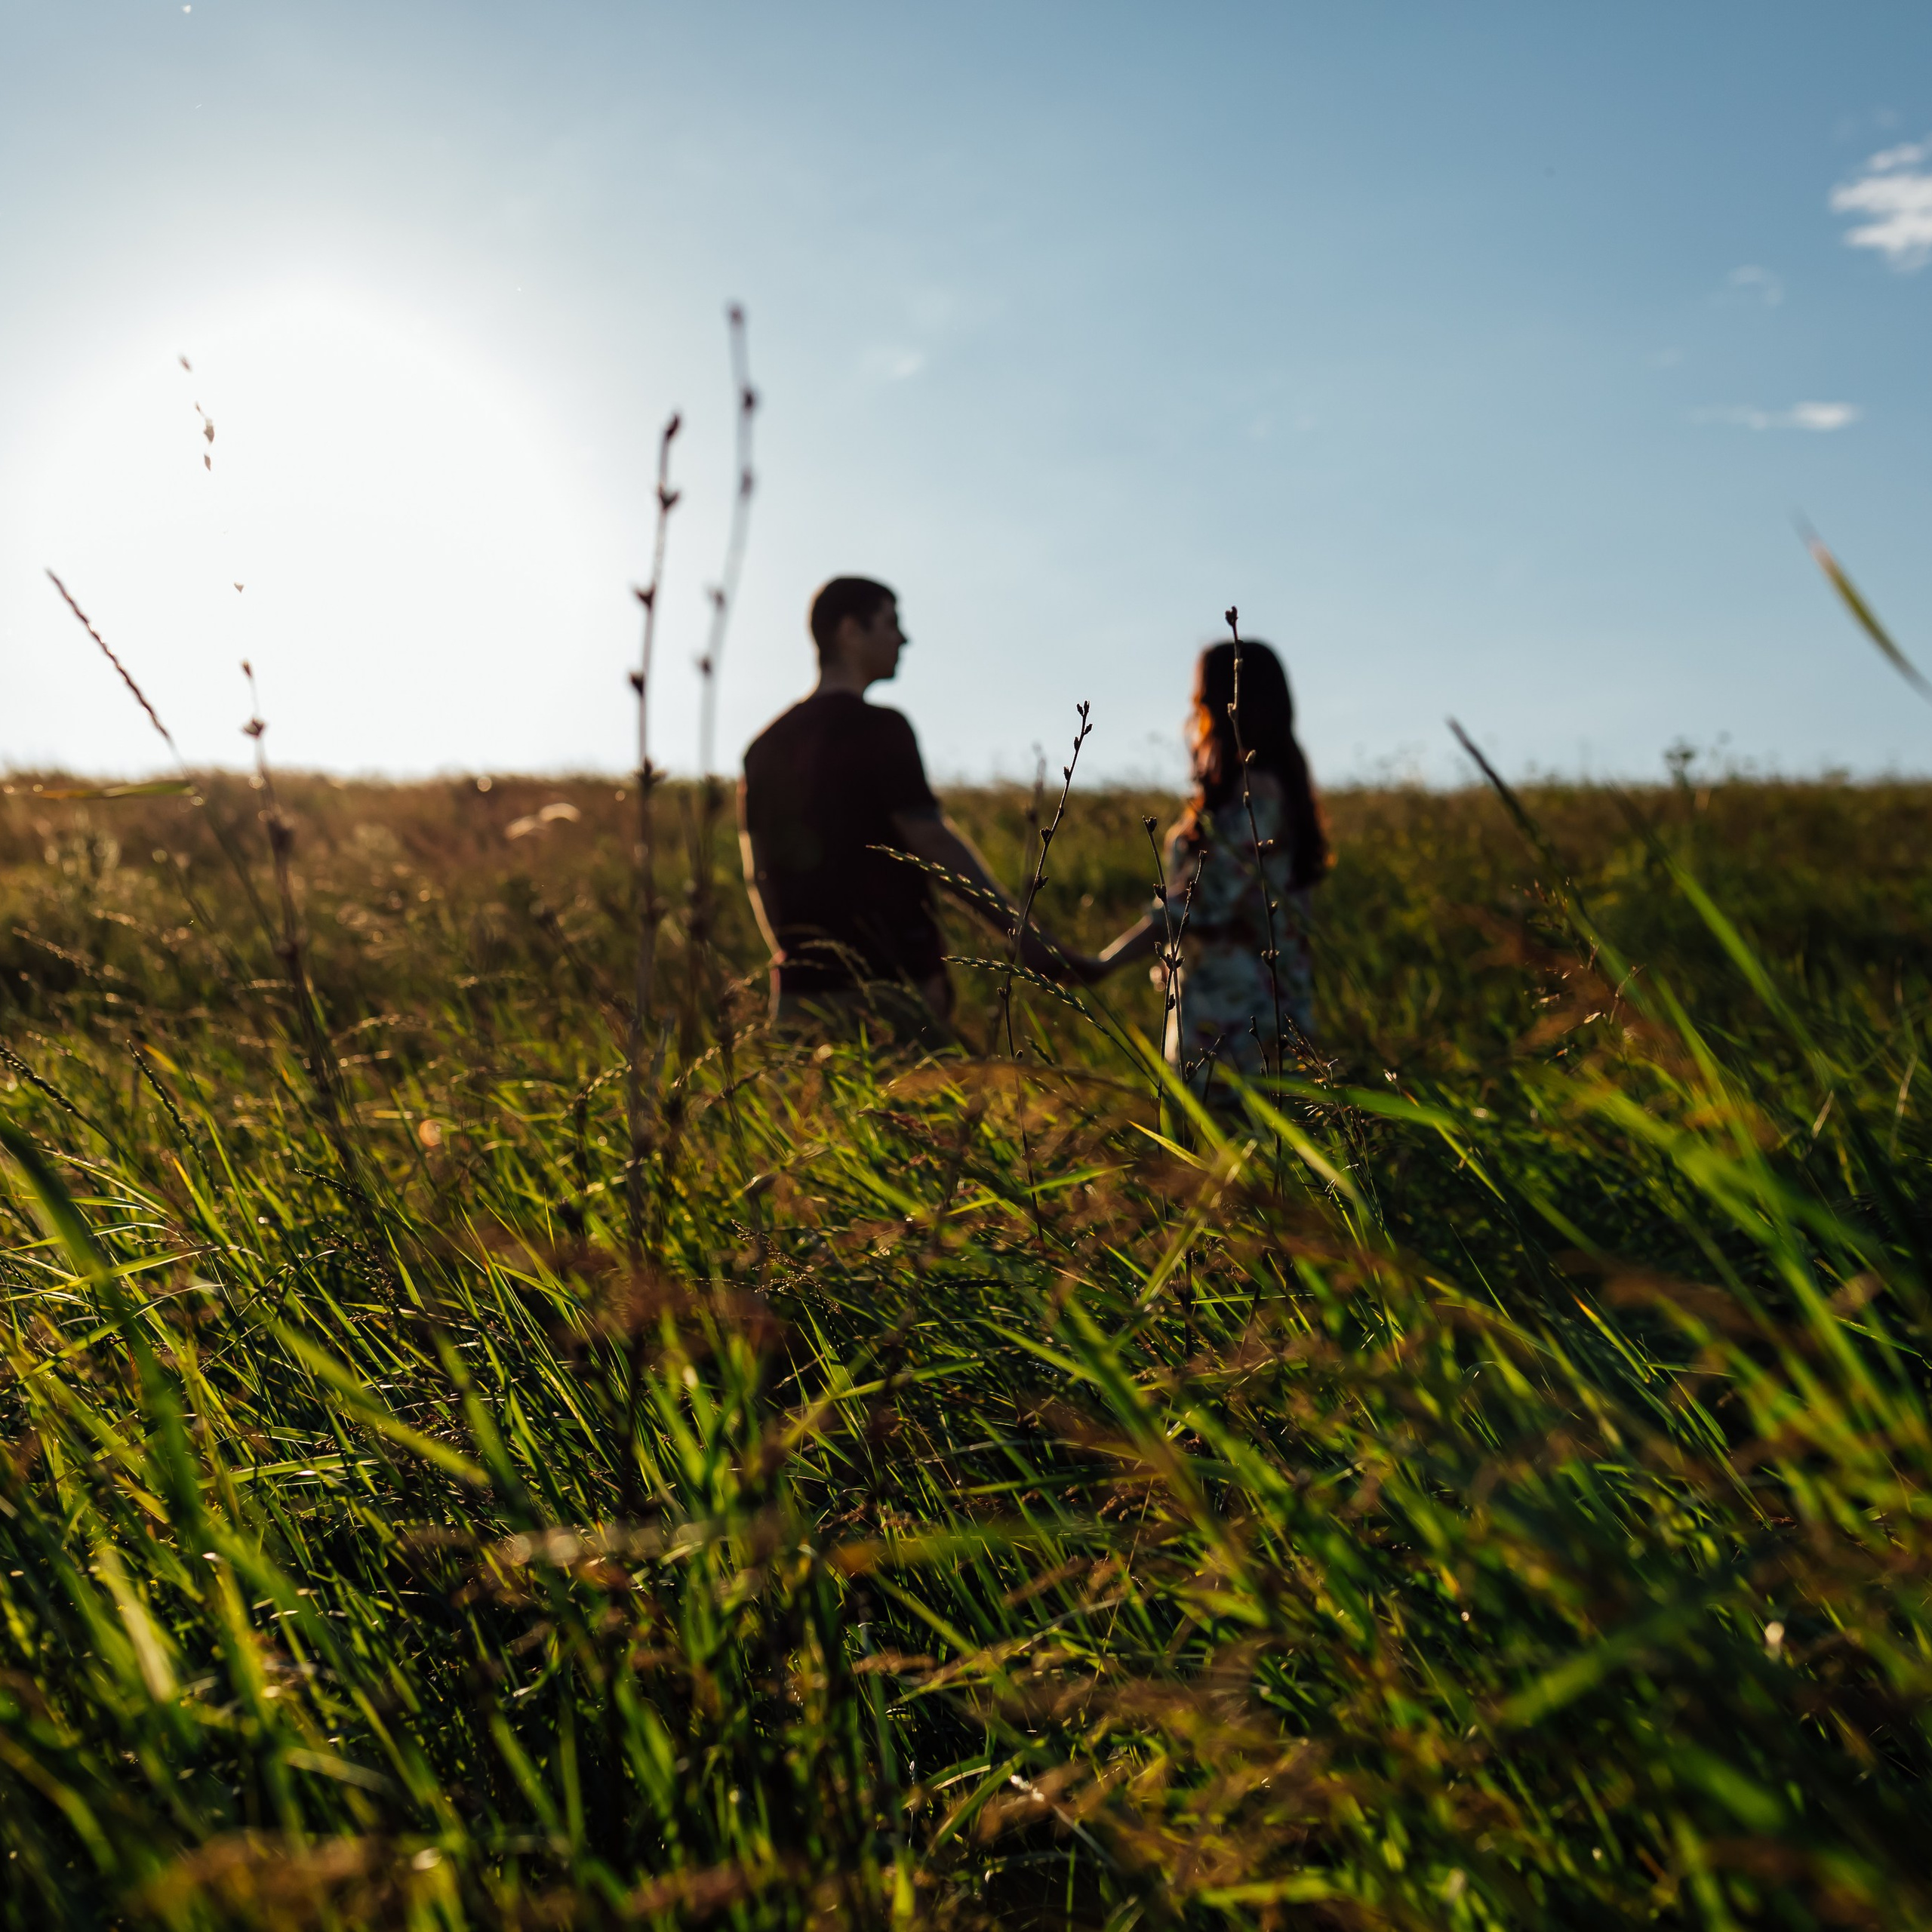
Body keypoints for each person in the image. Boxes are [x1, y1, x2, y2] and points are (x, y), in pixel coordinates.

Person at [740, 576, 1081, 1035]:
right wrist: (1025, 937)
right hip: (892, 992)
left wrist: (795, 960)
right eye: (890, 623)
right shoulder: (882, 729)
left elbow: (757, 873)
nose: (904, 638)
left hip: (800, 999)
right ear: (849, 631)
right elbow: (931, 840)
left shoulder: (764, 747)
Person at [1091, 638, 1327, 1090]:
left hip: (1240, 1021)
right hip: (1240, 1011)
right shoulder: (1265, 791)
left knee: (1230, 1149)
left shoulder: (1258, 795)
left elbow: (1201, 900)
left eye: (1201, 699)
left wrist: (1104, 963)